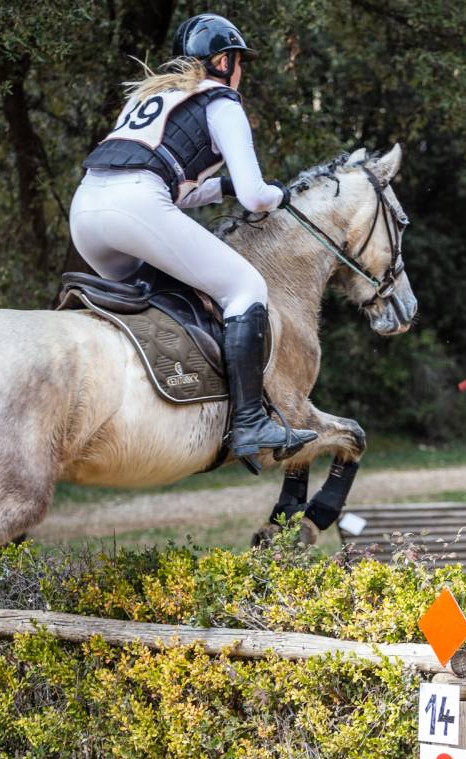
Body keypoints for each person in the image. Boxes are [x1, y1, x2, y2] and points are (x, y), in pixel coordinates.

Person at [70, 13, 316, 471]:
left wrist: (216, 188)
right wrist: (281, 193)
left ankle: (174, 400)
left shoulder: (155, 97)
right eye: (240, 61)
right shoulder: (223, 103)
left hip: (86, 213)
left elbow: (166, 181)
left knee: (172, 295)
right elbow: (256, 196)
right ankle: (248, 423)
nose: (242, 71)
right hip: (136, 208)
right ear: (223, 61)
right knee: (246, 289)